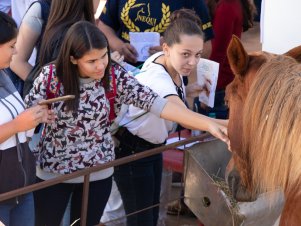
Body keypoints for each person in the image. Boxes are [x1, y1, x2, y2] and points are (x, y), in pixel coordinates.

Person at [25, 21, 228, 226]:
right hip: (54, 171)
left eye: (104, 56)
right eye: (92, 61)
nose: (100, 65)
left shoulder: (114, 75)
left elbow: (159, 104)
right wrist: (36, 115)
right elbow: (25, 116)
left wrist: (211, 123)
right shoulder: (50, 77)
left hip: (98, 172)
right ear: (73, 59)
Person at [114, 17, 229, 226]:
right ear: (166, 48)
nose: (193, 62)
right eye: (185, 54)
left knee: (150, 214)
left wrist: (190, 91)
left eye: (198, 55)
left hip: (152, 149)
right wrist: (231, 123)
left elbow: (175, 102)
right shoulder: (158, 79)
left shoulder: (165, 60)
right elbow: (182, 114)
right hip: (133, 152)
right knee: (142, 220)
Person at [0, 11, 54, 226]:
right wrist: (18, 124)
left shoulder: (3, 73)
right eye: (12, 45)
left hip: (22, 188)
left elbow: (16, 121)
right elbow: (13, 123)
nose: (16, 52)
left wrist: (35, 116)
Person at [98, 0, 214, 65]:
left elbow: (206, 47)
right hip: (123, 73)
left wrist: (170, 54)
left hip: (166, 80)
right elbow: (104, 25)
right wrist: (118, 46)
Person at [194, 0, 255, 119]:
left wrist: (207, 93)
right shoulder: (231, 3)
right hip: (223, 79)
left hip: (220, 83)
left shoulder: (226, 6)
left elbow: (219, 52)